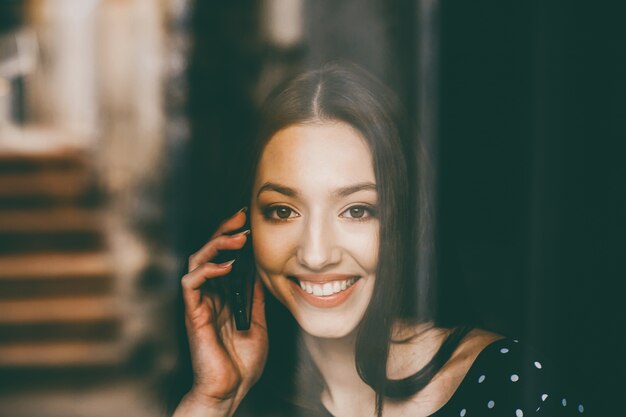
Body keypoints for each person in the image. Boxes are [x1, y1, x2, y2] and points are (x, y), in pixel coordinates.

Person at [172, 64, 585, 417]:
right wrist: (213, 401)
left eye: (357, 210)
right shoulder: (247, 396)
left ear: (403, 220)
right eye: (283, 211)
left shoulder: (506, 387)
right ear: (244, 229)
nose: (315, 255)